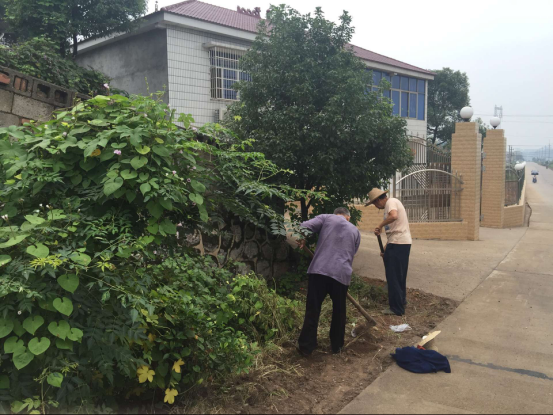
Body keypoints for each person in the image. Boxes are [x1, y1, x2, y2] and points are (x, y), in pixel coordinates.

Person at [296, 207, 361, 356]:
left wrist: (303, 237)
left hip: (320, 270)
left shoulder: (326, 218)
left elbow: (303, 226)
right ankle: (336, 346)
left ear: (336, 214)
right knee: (339, 311)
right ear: (348, 217)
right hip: (341, 275)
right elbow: (352, 253)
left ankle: (306, 346)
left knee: (313, 309)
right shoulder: (355, 231)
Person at [365, 189, 412, 316]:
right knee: (399, 275)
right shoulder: (391, 205)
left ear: (379, 199)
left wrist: (379, 226)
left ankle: (396, 308)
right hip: (399, 243)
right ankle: (401, 301)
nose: (376, 206)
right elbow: (394, 232)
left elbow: (394, 216)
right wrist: (386, 249)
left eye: (375, 204)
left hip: (398, 244)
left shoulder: (390, 202)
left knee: (393, 277)